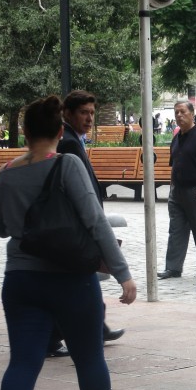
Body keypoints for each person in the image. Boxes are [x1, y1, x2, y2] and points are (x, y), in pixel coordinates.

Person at [0, 95, 136, 390]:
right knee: (88, 356)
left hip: (21, 279)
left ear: (24, 132)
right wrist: (122, 273)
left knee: (23, 361)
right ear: (59, 130)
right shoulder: (68, 164)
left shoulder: (6, 172)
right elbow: (95, 220)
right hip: (71, 279)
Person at [52, 90, 124, 353]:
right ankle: (72, 331)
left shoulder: (74, 139)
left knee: (82, 279)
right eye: (84, 112)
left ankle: (97, 325)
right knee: (79, 280)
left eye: (92, 113)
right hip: (78, 224)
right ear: (68, 114)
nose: (90, 118)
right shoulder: (69, 142)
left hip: (80, 223)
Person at [159, 100, 196, 279]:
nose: (179, 115)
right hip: (177, 191)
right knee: (176, 230)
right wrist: (171, 188)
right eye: (176, 112)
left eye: (182, 112)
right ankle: (173, 268)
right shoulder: (176, 138)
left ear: (192, 114)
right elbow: (174, 164)